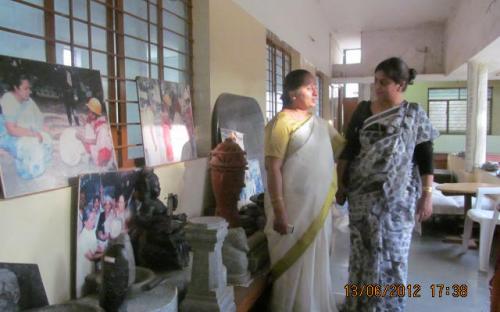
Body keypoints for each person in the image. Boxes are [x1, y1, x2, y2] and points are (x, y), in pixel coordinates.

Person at [336, 57, 439, 312]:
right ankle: (360, 305)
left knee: (394, 256)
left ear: (400, 84)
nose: (377, 87)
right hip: (362, 198)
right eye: (375, 81)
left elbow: (426, 158)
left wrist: (427, 195)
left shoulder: (414, 114)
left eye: (383, 82)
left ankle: (389, 306)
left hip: (399, 201)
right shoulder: (362, 110)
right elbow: (349, 150)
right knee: (362, 254)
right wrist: (340, 184)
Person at [264, 69, 344, 311]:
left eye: (314, 87)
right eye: (310, 87)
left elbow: (339, 151)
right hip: (291, 211)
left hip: (317, 209)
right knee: (292, 267)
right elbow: (273, 169)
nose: (315, 92)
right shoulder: (280, 124)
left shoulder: (321, 125)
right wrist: (280, 211)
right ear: (292, 93)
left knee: (317, 263)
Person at [0, 73, 52, 179]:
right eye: (26, 88)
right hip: (7, 135)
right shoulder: (8, 99)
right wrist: (33, 134)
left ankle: (36, 166)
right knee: (31, 144)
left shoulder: (28, 100)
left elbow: (39, 121)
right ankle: (25, 170)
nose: (30, 91)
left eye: (30, 88)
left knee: (47, 139)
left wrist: (43, 129)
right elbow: (11, 130)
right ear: (16, 88)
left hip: (23, 131)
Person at [76, 97, 114, 168]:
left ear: (93, 114)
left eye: (89, 111)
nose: (88, 113)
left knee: (84, 133)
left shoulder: (101, 127)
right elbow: (91, 126)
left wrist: (83, 139)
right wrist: (84, 121)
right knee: (86, 129)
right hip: (104, 156)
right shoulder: (98, 122)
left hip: (102, 160)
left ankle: (87, 156)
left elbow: (98, 142)